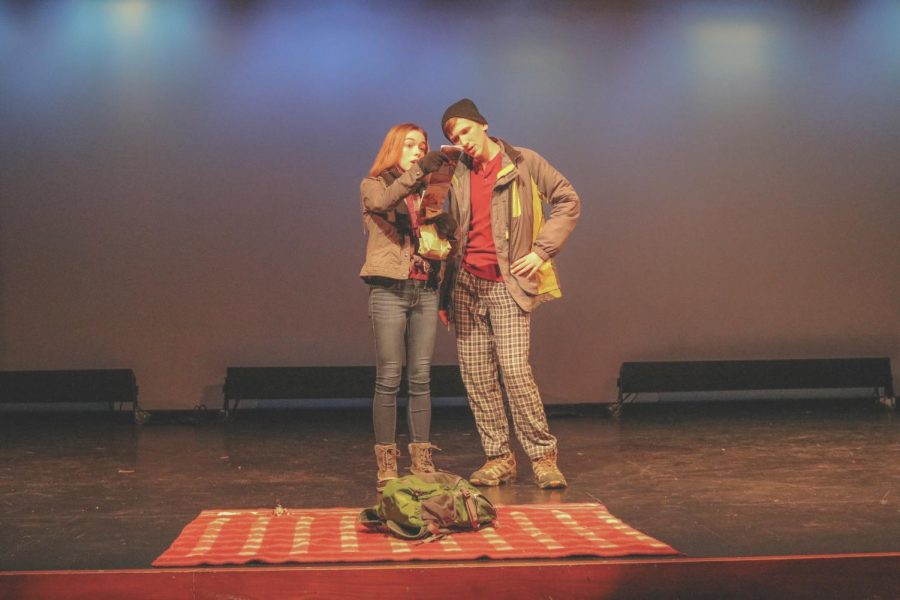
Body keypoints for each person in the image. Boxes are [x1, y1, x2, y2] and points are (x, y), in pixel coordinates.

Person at [438, 99, 580, 489]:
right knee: (478, 375)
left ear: (483, 125)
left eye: (465, 131)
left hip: (507, 283)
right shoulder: (457, 172)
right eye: (452, 136)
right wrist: (443, 292)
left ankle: (542, 456)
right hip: (465, 284)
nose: (461, 140)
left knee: (515, 371)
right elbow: (439, 222)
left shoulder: (523, 162)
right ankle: (499, 457)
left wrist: (541, 250)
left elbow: (568, 200)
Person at [359, 123, 453, 491]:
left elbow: (435, 237)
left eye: (422, 146)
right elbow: (383, 204)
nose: (417, 151)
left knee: (421, 378)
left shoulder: (427, 192)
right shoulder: (375, 183)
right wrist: (419, 172)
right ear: (394, 149)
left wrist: (445, 226)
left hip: (424, 289)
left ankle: (421, 458)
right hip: (388, 290)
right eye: (410, 145)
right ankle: (386, 461)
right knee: (389, 377)